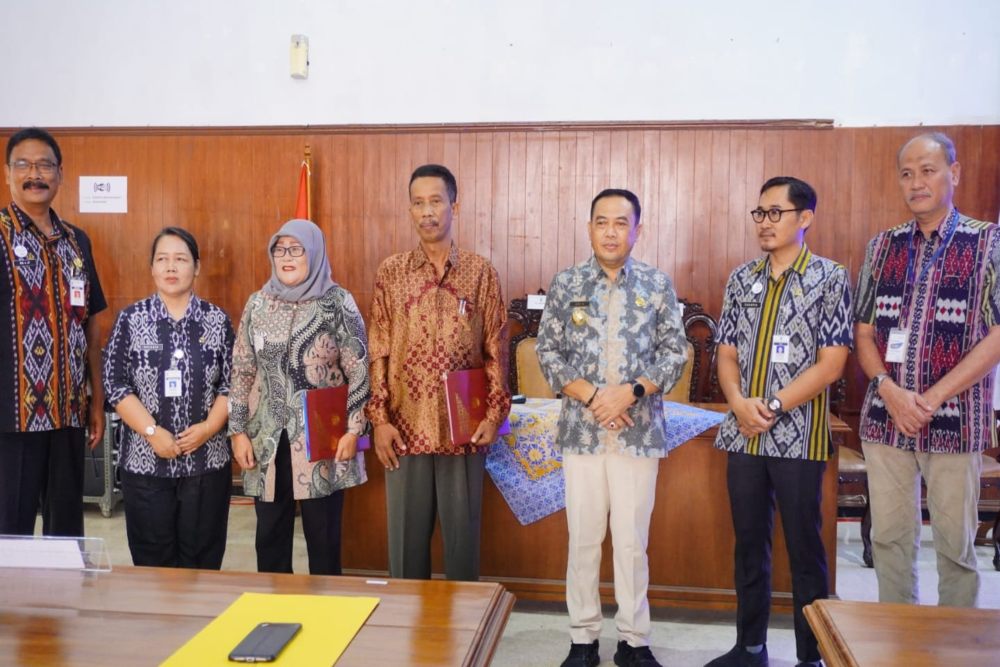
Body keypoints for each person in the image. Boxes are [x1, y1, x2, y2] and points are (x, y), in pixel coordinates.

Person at [536, 188, 687, 667]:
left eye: (621, 223)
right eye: (602, 222)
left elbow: (674, 353)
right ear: (589, 228)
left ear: (637, 230)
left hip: (638, 434)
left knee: (630, 542)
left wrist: (633, 391)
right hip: (582, 433)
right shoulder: (566, 284)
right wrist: (597, 396)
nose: (610, 231)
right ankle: (582, 640)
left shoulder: (657, 285)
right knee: (582, 539)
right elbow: (548, 353)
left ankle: (633, 642)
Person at [707, 177, 852, 667]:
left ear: (804, 218)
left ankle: (812, 656)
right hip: (743, 434)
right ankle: (749, 647)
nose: (765, 223)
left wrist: (768, 406)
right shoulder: (740, 278)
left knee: (805, 550)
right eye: (760, 213)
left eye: (776, 212)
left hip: (797, 436)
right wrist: (737, 401)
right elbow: (725, 353)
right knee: (749, 546)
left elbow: (832, 364)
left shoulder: (831, 278)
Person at [854, 132, 1000, 608]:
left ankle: (956, 651)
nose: (916, 182)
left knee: (955, 550)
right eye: (907, 173)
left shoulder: (988, 243)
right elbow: (863, 332)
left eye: (928, 170)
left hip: (954, 425)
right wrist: (888, 390)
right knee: (890, 543)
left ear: (953, 174)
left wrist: (932, 398)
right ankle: (898, 645)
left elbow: (997, 335)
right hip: (886, 421)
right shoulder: (881, 247)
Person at [366, 164, 510, 582]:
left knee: (462, 550)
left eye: (435, 201)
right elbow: (378, 351)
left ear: (454, 205)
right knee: (407, 555)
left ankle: (464, 640)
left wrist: (493, 414)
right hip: (403, 429)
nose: (426, 211)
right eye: (417, 203)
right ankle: (412, 642)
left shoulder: (480, 273)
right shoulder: (391, 272)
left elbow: (495, 350)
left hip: (462, 429)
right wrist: (379, 420)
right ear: (409, 210)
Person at [229, 219, 369, 575]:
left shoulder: (337, 302)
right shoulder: (258, 304)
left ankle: (326, 619)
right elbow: (242, 370)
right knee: (270, 537)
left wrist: (354, 430)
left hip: (323, 441)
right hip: (267, 440)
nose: (286, 257)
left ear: (315, 253)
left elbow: (360, 369)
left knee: (323, 540)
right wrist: (237, 431)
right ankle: (274, 615)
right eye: (280, 249)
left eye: (296, 249)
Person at [102, 227, 234, 568]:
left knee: (202, 561)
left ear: (197, 267)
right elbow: (116, 385)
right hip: (145, 465)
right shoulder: (131, 320)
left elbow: (233, 385)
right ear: (152, 267)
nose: (171, 267)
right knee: (152, 562)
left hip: (206, 463)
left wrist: (207, 428)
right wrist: (151, 432)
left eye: (180, 259)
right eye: (162, 259)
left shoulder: (216, 321)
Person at [0, 127, 106, 537]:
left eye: (44, 165)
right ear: (8, 173)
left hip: (67, 414)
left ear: (60, 173)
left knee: (66, 529)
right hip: (12, 419)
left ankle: (64, 602)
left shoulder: (78, 242)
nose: (34, 174)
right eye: (23, 165)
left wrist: (95, 401)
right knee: (12, 527)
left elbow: (92, 324)